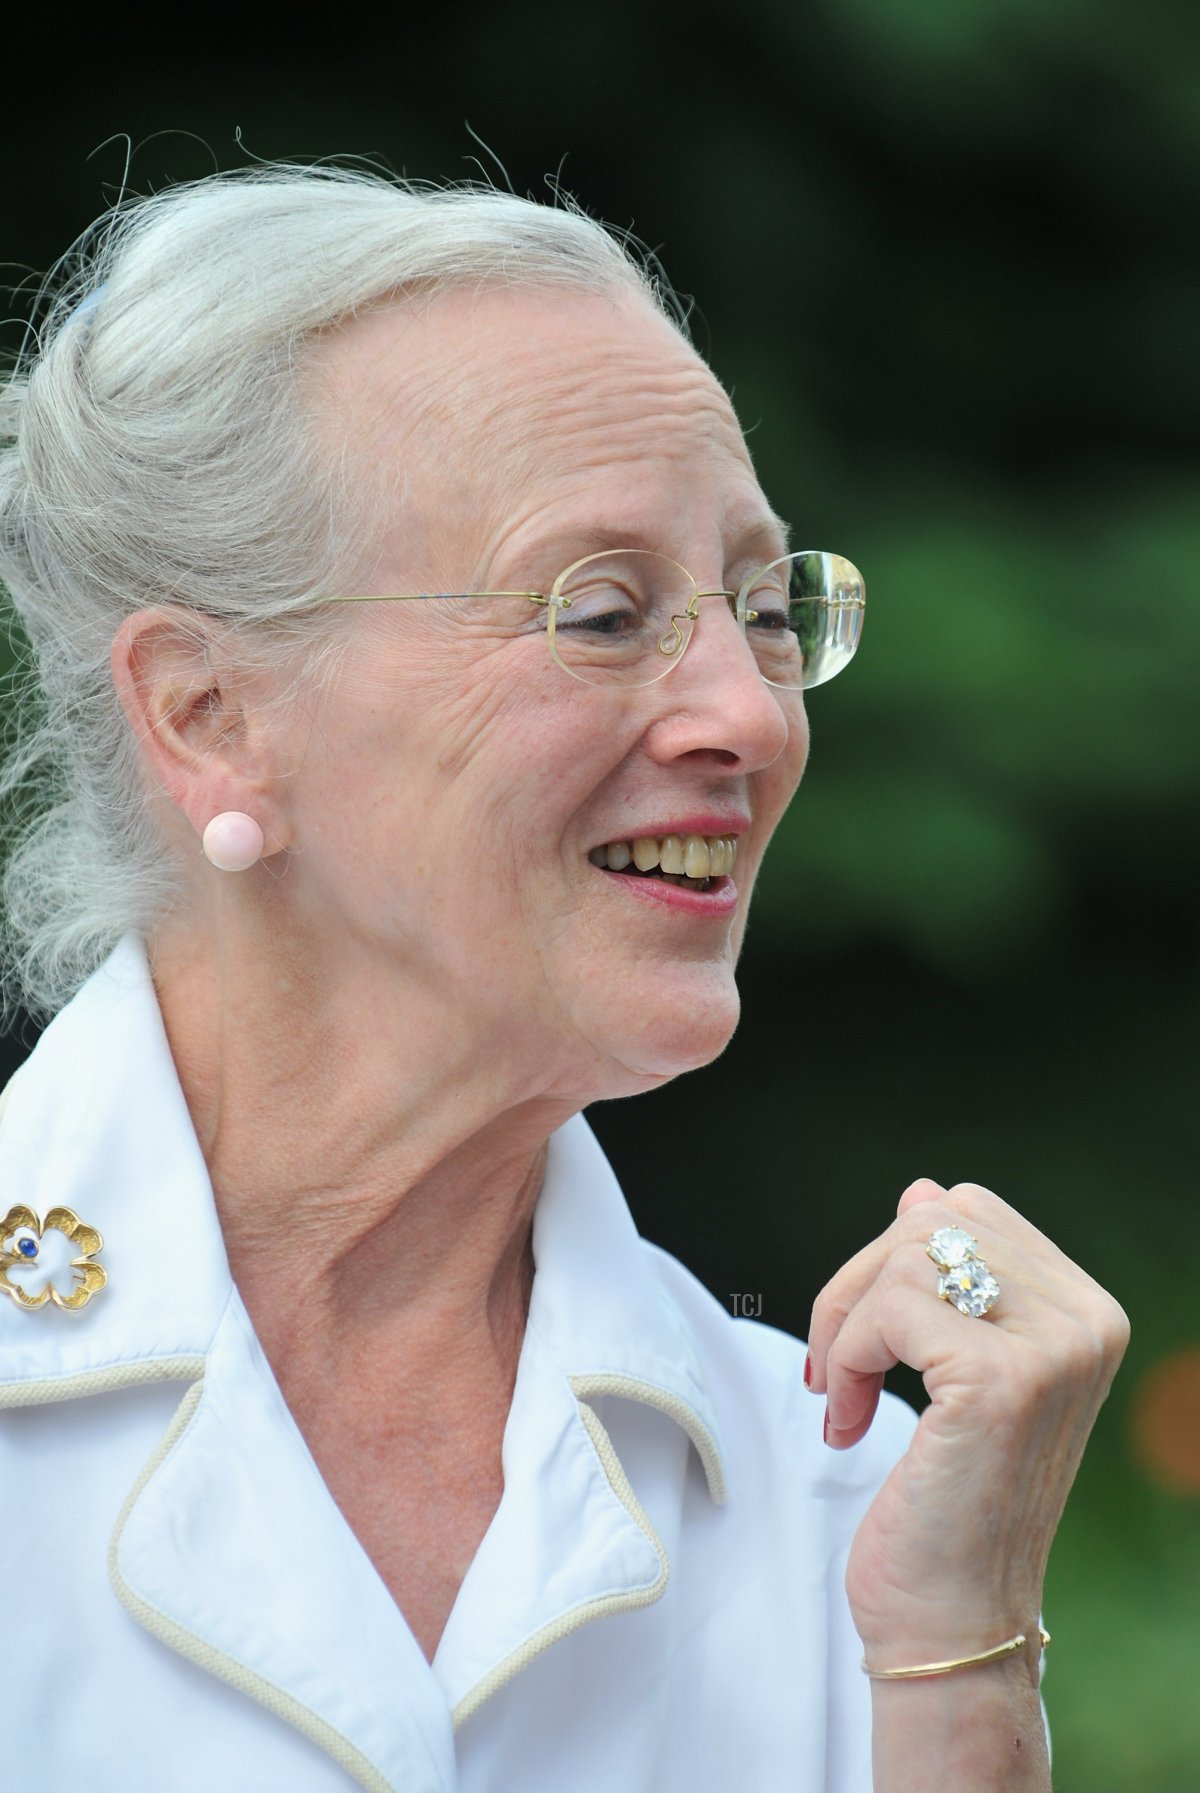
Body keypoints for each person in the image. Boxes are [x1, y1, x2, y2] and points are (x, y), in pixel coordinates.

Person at [0, 167, 1127, 1793]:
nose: (746, 714)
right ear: (207, 712)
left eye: (762, 608)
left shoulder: (854, 1510)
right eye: (602, 613)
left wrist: (957, 1684)